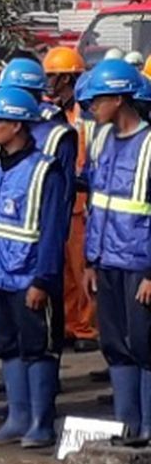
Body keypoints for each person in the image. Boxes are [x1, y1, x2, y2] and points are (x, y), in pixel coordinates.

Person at [0, 87, 67, 448]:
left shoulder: (46, 171)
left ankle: (41, 424)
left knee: (38, 349)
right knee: (8, 348)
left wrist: (42, 280)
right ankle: (18, 418)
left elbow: (52, 231)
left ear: (16, 124)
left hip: (29, 278)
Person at [83, 59, 151, 438]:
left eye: (99, 99)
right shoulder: (102, 140)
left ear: (121, 100)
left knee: (144, 345)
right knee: (114, 343)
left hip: (140, 265)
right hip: (108, 261)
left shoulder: (149, 144)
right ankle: (129, 425)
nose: (92, 107)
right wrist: (90, 260)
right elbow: (98, 204)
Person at [44, 46, 98, 353]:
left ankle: (86, 328)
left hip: (82, 204)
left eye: (53, 76)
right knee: (64, 271)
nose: (49, 82)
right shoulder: (56, 112)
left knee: (81, 271)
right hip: (64, 202)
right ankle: (69, 324)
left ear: (67, 77)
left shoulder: (86, 114)